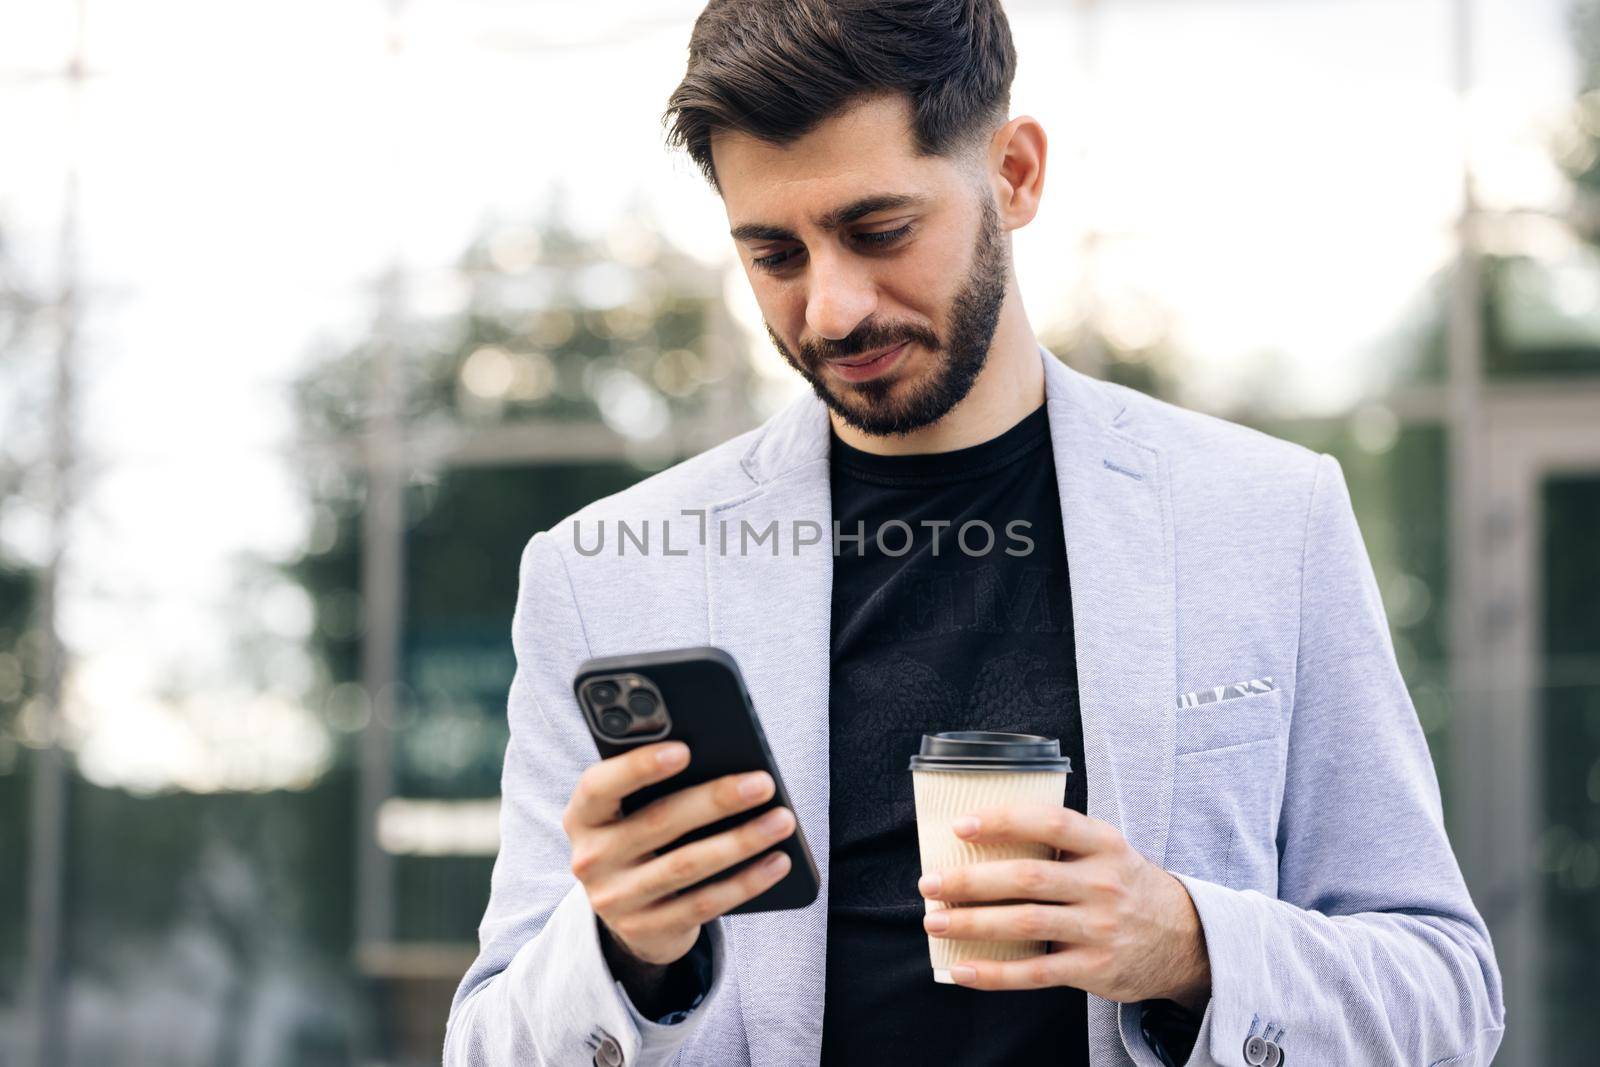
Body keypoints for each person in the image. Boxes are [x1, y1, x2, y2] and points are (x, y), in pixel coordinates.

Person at [442, 2, 1505, 1064]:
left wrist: (1186, 945)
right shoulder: (602, 574)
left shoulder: (1268, 517)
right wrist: (625, 947)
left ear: (1015, 173)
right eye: (774, 254)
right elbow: (487, 1044)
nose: (832, 310)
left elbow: (1446, 998)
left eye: (878, 230)